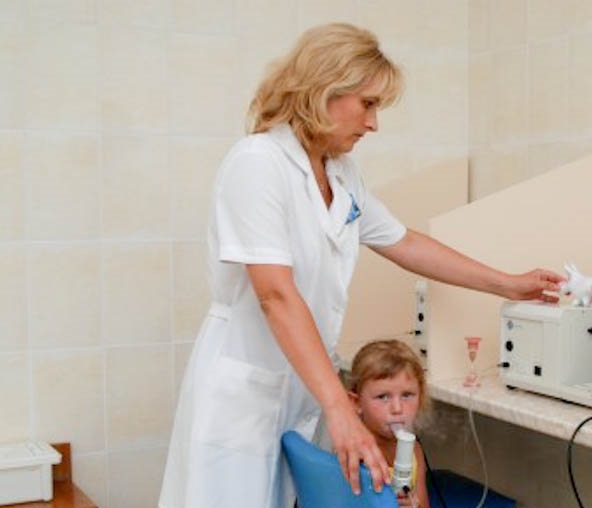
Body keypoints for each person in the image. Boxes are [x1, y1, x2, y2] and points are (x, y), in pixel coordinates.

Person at [159, 22, 564, 508]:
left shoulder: (340, 172)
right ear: (323, 90)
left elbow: (404, 242)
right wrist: (338, 407)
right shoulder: (258, 163)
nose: (373, 124)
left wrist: (506, 284)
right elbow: (275, 295)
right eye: (368, 104)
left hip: (298, 385)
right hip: (246, 391)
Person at [348, 339, 432, 508]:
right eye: (383, 397)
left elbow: (423, 505)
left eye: (407, 395)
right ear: (356, 402)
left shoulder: (414, 451)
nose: (397, 408)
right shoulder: (354, 454)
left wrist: (413, 505)